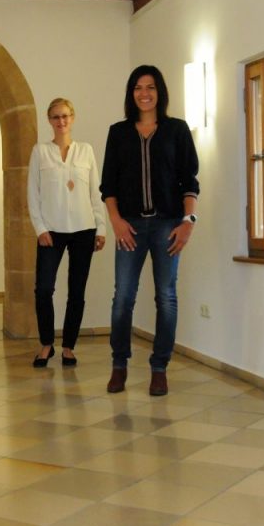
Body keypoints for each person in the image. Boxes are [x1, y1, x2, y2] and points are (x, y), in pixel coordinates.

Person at [100, 66, 199, 396]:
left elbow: (190, 182)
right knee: (122, 298)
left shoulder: (177, 130)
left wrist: (188, 222)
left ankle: (160, 368)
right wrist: (115, 221)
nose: (145, 93)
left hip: (168, 226)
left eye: (151, 87)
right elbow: (108, 186)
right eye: (138, 87)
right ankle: (119, 365)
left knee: (166, 298)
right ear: (131, 93)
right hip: (128, 226)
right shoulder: (118, 133)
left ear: (160, 92)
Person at [27, 98, 107, 367]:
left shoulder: (86, 151)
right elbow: (33, 194)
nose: (61, 122)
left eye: (65, 116)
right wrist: (40, 228)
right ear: (49, 120)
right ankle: (47, 344)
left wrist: (101, 226)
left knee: (77, 290)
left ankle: (69, 346)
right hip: (51, 231)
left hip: (84, 229)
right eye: (55, 117)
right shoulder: (40, 152)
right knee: (43, 289)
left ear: (73, 118)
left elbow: (96, 191)